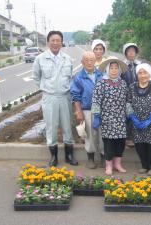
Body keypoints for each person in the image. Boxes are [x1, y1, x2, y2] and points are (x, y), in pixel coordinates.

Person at [32, 30, 78, 167]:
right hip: (50, 97)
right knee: (51, 127)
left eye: (58, 40)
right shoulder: (40, 59)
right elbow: (36, 77)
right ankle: (53, 157)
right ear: (48, 42)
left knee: (67, 126)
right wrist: (46, 88)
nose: (55, 43)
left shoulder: (68, 59)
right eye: (53, 40)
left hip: (65, 97)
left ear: (61, 42)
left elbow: (70, 77)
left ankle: (69, 155)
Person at [91, 57, 128, 175]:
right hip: (107, 119)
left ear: (119, 70)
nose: (114, 70)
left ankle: (118, 164)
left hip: (121, 118)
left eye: (116, 68)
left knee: (120, 142)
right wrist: (96, 116)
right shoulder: (101, 83)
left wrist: (128, 114)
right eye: (111, 68)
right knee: (109, 143)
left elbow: (127, 100)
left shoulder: (123, 83)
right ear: (107, 69)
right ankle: (109, 166)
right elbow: (96, 100)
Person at [127, 63, 151, 176]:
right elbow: (128, 102)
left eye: (145, 73)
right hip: (137, 123)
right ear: (137, 75)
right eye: (140, 73)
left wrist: (150, 119)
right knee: (140, 145)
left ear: (149, 74)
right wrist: (133, 118)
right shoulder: (132, 87)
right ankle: (144, 165)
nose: (143, 75)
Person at [70, 51, 104, 169]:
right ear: (82, 62)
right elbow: (75, 95)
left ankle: (104, 158)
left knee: (102, 134)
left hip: (102, 110)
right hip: (87, 110)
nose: (89, 62)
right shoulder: (78, 77)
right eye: (86, 60)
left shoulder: (101, 75)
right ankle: (90, 158)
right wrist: (78, 112)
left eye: (92, 60)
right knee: (90, 135)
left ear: (95, 61)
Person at [121, 42, 141, 147]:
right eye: (129, 51)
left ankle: (137, 136)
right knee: (128, 116)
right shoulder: (122, 66)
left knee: (138, 115)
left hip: (139, 94)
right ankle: (128, 138)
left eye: (133, 51)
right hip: (126, 94)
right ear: (125, 53)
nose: (131, 53)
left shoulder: (140, 65)